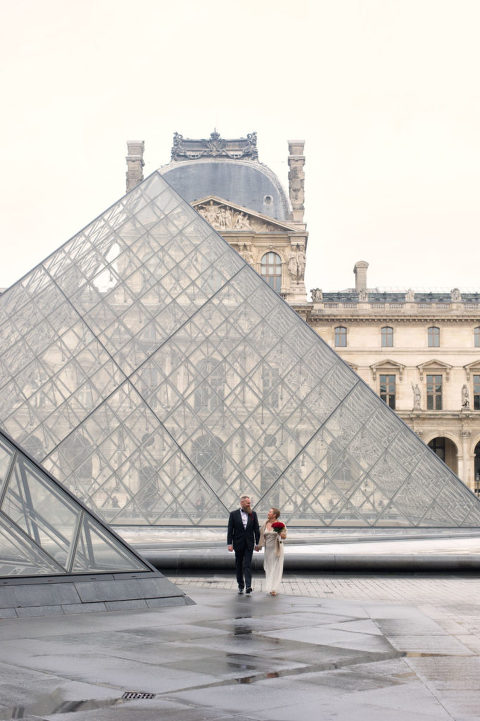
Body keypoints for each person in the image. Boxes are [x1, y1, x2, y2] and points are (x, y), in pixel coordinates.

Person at [227, 495, 260, 594]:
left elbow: (256, 529)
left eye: (250, 503)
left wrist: (258, 543)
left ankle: (248, 586)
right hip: (238, 543)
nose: (249, 504)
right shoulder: (233, 514)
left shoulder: (253, 514)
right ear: (242, 503)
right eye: (248, 503)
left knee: (247, 564)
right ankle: (241, 585)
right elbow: (230, 530)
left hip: (249, 543)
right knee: (239, 564)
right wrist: (229, 543)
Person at [258, 507, 287, 596]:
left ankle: (274, 588)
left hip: (277, 549)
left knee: (276, 568)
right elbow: (261, 537)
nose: (268, 513)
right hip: (268, 550)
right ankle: (269, 586)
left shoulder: (281, 524)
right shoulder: (265, 524)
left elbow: (284, 536)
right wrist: (259, 546)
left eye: (270, 512)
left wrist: (279, 532)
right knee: (268, 567)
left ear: (274, 515)